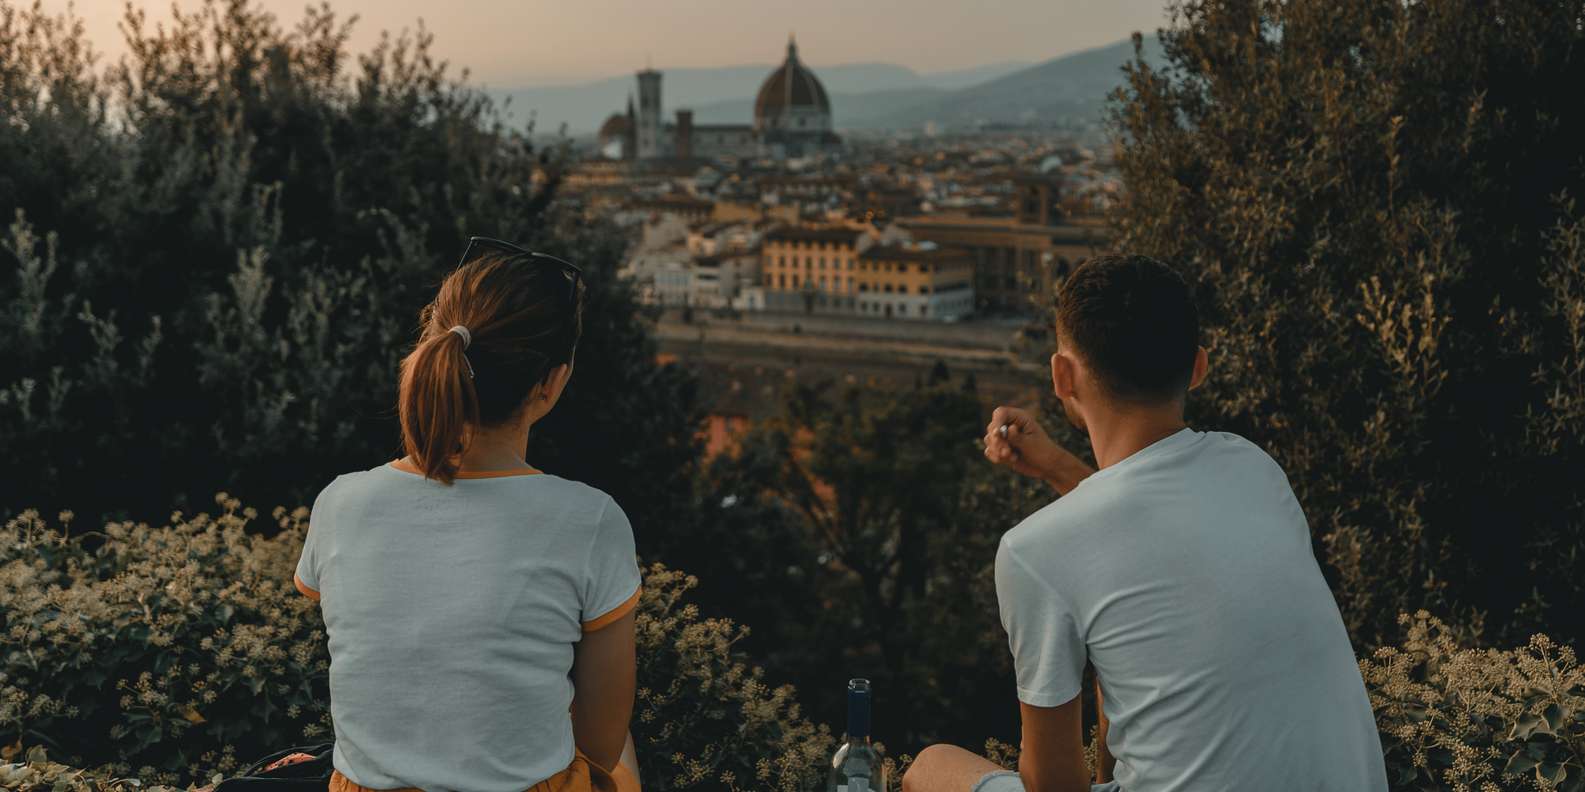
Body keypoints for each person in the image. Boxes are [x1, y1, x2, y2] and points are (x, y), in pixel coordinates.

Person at [902, 254, 1387, 792]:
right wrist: (1059, 468)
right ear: (1198, 367)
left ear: (1062, 375)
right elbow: (1142, 548)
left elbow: (1053, 787)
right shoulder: (1254, 468)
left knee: (931, 768)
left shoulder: (1032, 551)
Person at [293, 237, 643, 792]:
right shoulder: (591, 521)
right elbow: (598, 742)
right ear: (552, 381)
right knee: (622, 756)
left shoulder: (340, 503)